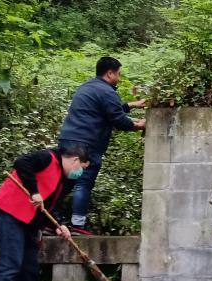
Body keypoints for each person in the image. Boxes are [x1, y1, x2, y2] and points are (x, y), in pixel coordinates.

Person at [0, 144, 92, 281]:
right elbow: (21, 162)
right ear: (76, 160)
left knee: (29, 270)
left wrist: (60, 224)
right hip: (9, 215)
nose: (80, 172)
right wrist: (34, 191)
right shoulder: (48, 157)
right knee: (9, 265)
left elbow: (51, 207)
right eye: (82, 168)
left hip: (29, 224)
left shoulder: (62, 179)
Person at [57, 56, 146, 234]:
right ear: (110, 73)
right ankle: (77, 225)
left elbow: (106, 109)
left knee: (64, 181)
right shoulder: (107, 91)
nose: (119, 78)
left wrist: (131, 105)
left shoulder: (87, 87)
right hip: (87, 144)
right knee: (84, 183)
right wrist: (138, 125)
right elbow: (117, 119)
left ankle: (52, 220)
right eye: (118, 74)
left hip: (67, 139)